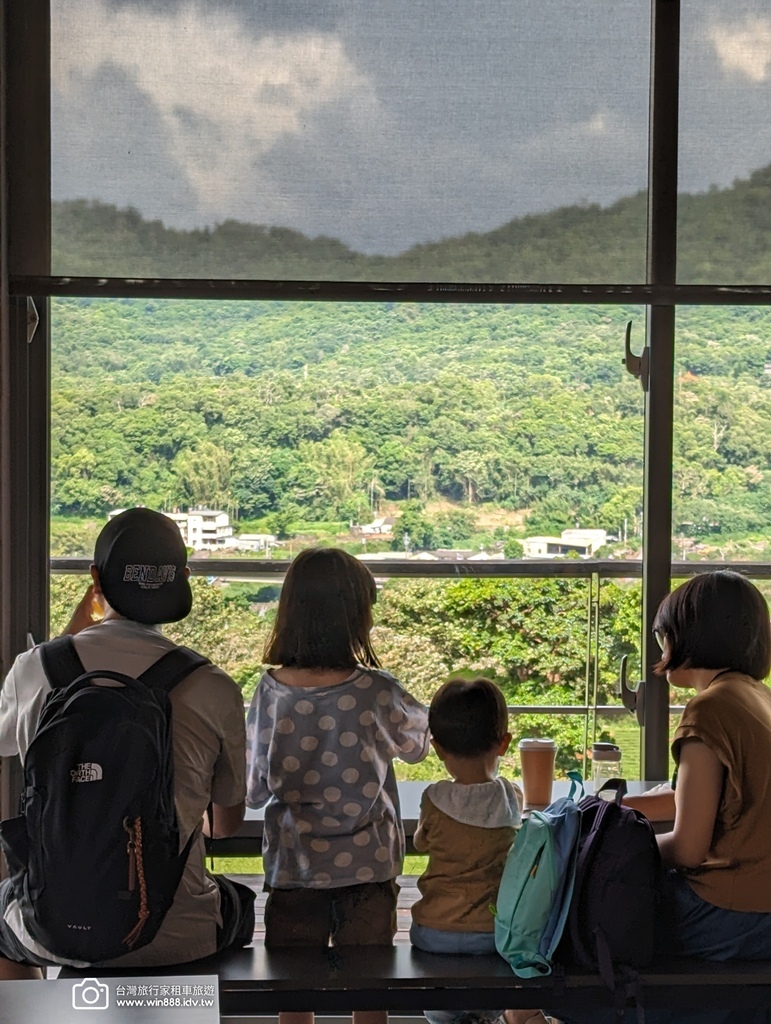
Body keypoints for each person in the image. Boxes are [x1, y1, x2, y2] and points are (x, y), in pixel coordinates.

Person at [0, 507, 254, 979]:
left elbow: (5, 745)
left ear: (96, 580)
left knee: (5, 916)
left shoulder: (33, 669)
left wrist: (66, 641)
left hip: (58, 925)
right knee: (236, 904)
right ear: (183, 579)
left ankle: (37, 1013)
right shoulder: (212, 685)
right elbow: (225, 824)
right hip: (179, 936)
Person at [560, 570, 771, 1024]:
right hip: (764, 909)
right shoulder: (757, 699)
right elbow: (698, 796)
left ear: (690, 635)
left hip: (728, 913)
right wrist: (609, 812)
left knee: (593, 908)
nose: (660, 650)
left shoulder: (708, 709)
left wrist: (610, 853)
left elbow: (690, 847)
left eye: (663, 636)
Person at [245, 546, 430, 1024]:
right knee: (369, 991)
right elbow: (417, 746)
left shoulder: (270, 693)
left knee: (294, 989)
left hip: (293, 865)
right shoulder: (377, 690)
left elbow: (254, 790)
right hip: (369, 865)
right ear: (356, 618)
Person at [410, 678, 547, 1024]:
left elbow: (420, 844)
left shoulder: (434, 799)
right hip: (491, 934)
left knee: (441, 1010)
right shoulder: (510, 798)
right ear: (504, 744)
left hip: (433, 932)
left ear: (438, 748)